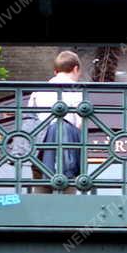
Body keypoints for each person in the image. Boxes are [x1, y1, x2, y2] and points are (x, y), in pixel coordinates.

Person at [28, 50, 83, 188]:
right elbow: (79, 123)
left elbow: (30, 120)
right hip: (66, 151)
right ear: (76, 69)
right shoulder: (76, 92)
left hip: (41, 149)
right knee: (67, 192)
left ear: (55, 71)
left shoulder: (37, 92)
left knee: (41, 192)